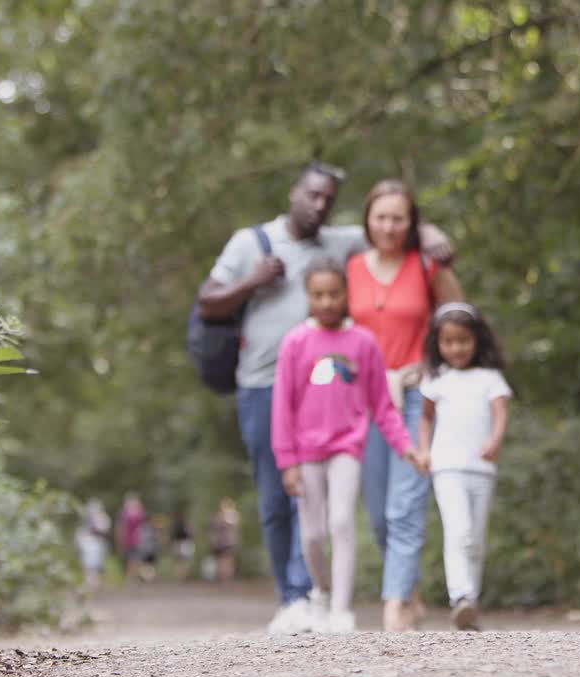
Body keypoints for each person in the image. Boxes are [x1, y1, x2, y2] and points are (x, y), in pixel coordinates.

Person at [197, 161, 454, 634]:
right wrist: (253, 281)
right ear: (294, 192)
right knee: (278, 496)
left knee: (328, 509)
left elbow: (393, 231)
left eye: (329, 200)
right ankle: (293, 597)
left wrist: (431, 229)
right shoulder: (251, 242)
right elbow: (208, 300)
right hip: (263, 383)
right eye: (312, 196)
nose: (319, 206)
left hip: (335, 391)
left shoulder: (339, 244)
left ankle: (321, 599)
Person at [272, 258, 417, 633]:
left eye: (334, 293)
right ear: (307, 297)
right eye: (318, 294)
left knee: (341, 523)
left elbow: (382, 405)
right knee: (312, 532)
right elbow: (283, 405)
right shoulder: (296, 342)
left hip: (347, 447)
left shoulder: (363, 342)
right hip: (306, 451)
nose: (326, 302)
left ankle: (340, 608)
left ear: (346, 294)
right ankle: (320, 591)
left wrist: (404, 445)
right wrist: (286, 461)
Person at [347, 179, 464, 632]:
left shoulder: (428, 266)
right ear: (368, 221)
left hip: (418, 394)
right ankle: (408, 587)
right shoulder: (352, 267)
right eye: (381, 217)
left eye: (399, 218)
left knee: (406, 503)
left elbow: (460, 319)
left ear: (412, 222)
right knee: (378, 510)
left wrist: (441, 369)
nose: (389, 226)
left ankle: (394, 606)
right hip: (366, 397)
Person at [413, 302, 512, 631]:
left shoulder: (489, 377)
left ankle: (471, 601)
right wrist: (424, 451)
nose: (456, 348)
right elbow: (425, 418)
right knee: (459, 531)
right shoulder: (437, 379)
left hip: (481, 468)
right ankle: (461, 596)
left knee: (476, 538)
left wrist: (495, 441)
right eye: (449, 342)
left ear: (477, 341)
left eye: (463, 341)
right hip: (447, 466)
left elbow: (500, 413)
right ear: (438, 344)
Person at [75, 498, 112, 591]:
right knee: (91, 566)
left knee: (95, 566)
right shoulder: (90, 520)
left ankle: (93, 585)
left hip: (96, 544)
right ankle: (91, 585)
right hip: (92, 545)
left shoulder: (100, 518)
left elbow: (104, 530)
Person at [208, 497, 241, 584]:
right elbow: (213, 530)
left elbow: (235, 528)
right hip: (222, 542)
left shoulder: (231, 516)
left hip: (228, 542)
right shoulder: (220, 516)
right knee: (222, 560)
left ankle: (227, 578)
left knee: (227, 560)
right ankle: (223, 578)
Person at [116, 493, 148, 582]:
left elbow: (121, 527)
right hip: (132, 539)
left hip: (135, 539)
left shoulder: (127, 513)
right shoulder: (132, 513)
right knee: (133, 559)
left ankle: (132, 577)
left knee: (133, 559)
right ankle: (133, 577)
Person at [171, 508, 195, 580]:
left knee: (179, 561)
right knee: (185, 561)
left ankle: (181, 576)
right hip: (185, 543)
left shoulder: (176, 523)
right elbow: (191, 534)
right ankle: (183, 576)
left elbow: (173, 535)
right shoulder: (187, 523)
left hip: (179, 543)